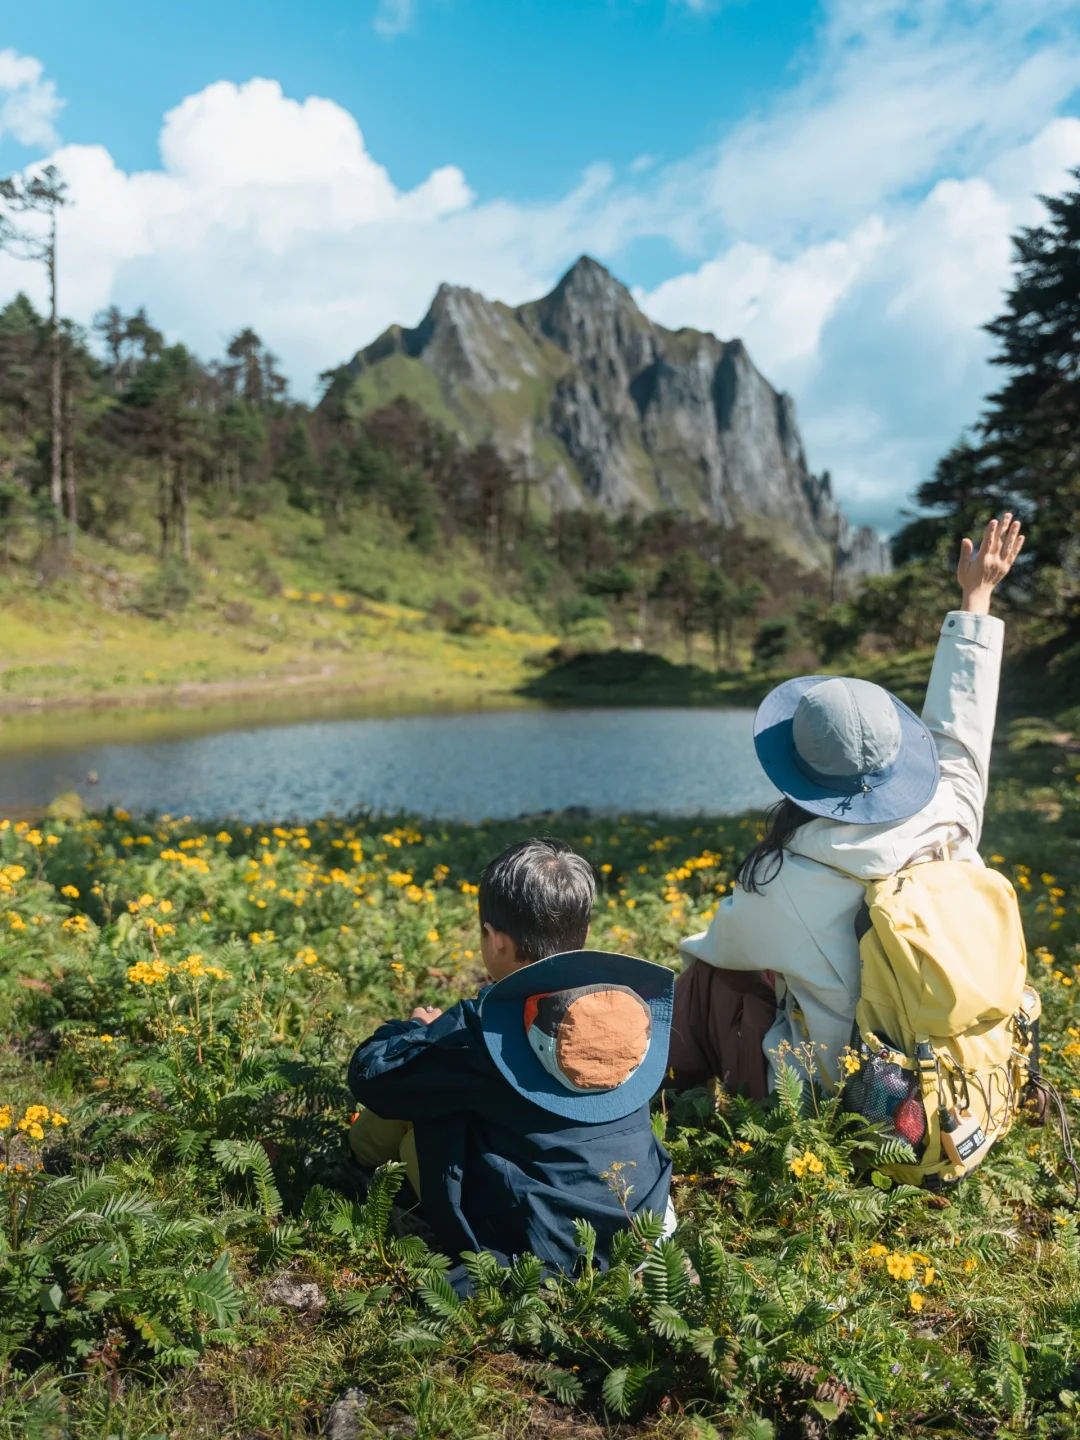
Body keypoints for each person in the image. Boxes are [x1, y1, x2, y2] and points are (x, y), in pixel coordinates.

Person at [669, 514, 1026, 1094]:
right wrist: (976, 596)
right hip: (968, 1078)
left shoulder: (788, 874)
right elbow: (962, 727)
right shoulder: (952, 812)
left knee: (708, 976)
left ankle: (663, 1101)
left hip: (860, 1098)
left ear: (795, 773)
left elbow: (720, 946)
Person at [346, 837, 675, 1282]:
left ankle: (351, 1169)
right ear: (584, 931)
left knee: (422, 1096)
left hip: (547, 1245)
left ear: (495, 940)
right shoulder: (630, 1009)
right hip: (643, 1224)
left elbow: (373, 1077)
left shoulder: (483, 1031)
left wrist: (416, 1032)